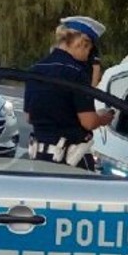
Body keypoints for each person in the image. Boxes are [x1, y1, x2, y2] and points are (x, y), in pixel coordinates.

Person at [24, 16, 115, 169]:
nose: (88, 56)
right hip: (71, 160)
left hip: (40, 158)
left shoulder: (36, 69)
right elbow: (88, 121)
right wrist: (104, 117)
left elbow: (28, 116)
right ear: (82, 43)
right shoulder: (76, 73)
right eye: (89, 49)